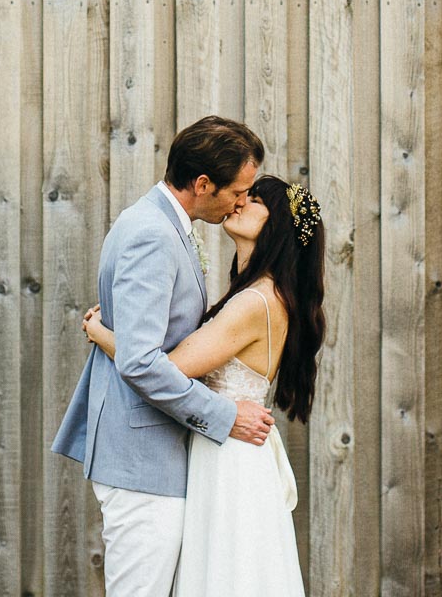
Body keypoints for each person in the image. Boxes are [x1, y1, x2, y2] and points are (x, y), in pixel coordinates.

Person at [49, 116, 278, 596]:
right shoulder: (152, 233)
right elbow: (140, 362)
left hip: (156, 456)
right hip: (141, 458)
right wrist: (224, 414)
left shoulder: (160, 223)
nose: (242, 201)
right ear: (202, 183)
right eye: (238, 190)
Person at [81, 171, 325, 596]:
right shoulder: (254, 295)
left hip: (229, 456)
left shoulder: (254, 302)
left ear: (277, 225)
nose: (240, 202)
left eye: (255, 199)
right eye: (241, 194)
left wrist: (101, 333)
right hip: (225, 448)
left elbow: (167, 368)